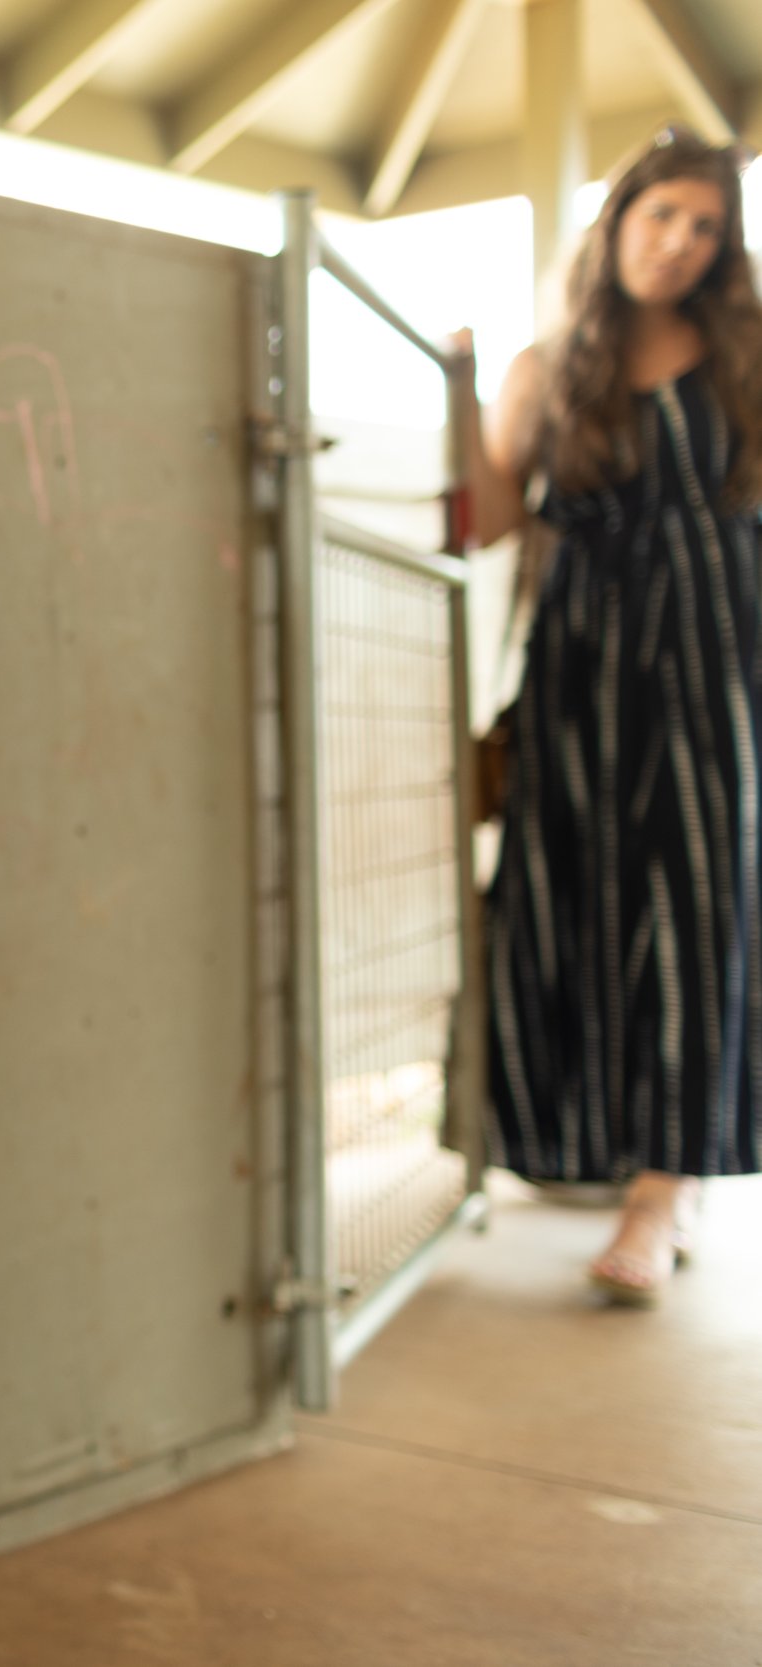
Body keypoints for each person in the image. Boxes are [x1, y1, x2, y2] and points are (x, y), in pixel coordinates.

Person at [453, 127, 762, 1306]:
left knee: (697, 899)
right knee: (570, 895)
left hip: (717, 657)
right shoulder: (550, 369)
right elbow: (480, 519)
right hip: (580, 664)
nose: (678, 244)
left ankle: (663, 1186)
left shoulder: (742, 355)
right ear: (617, 217)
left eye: (703, 229)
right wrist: (463, 385)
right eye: (661, 216)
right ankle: (584, 1144)